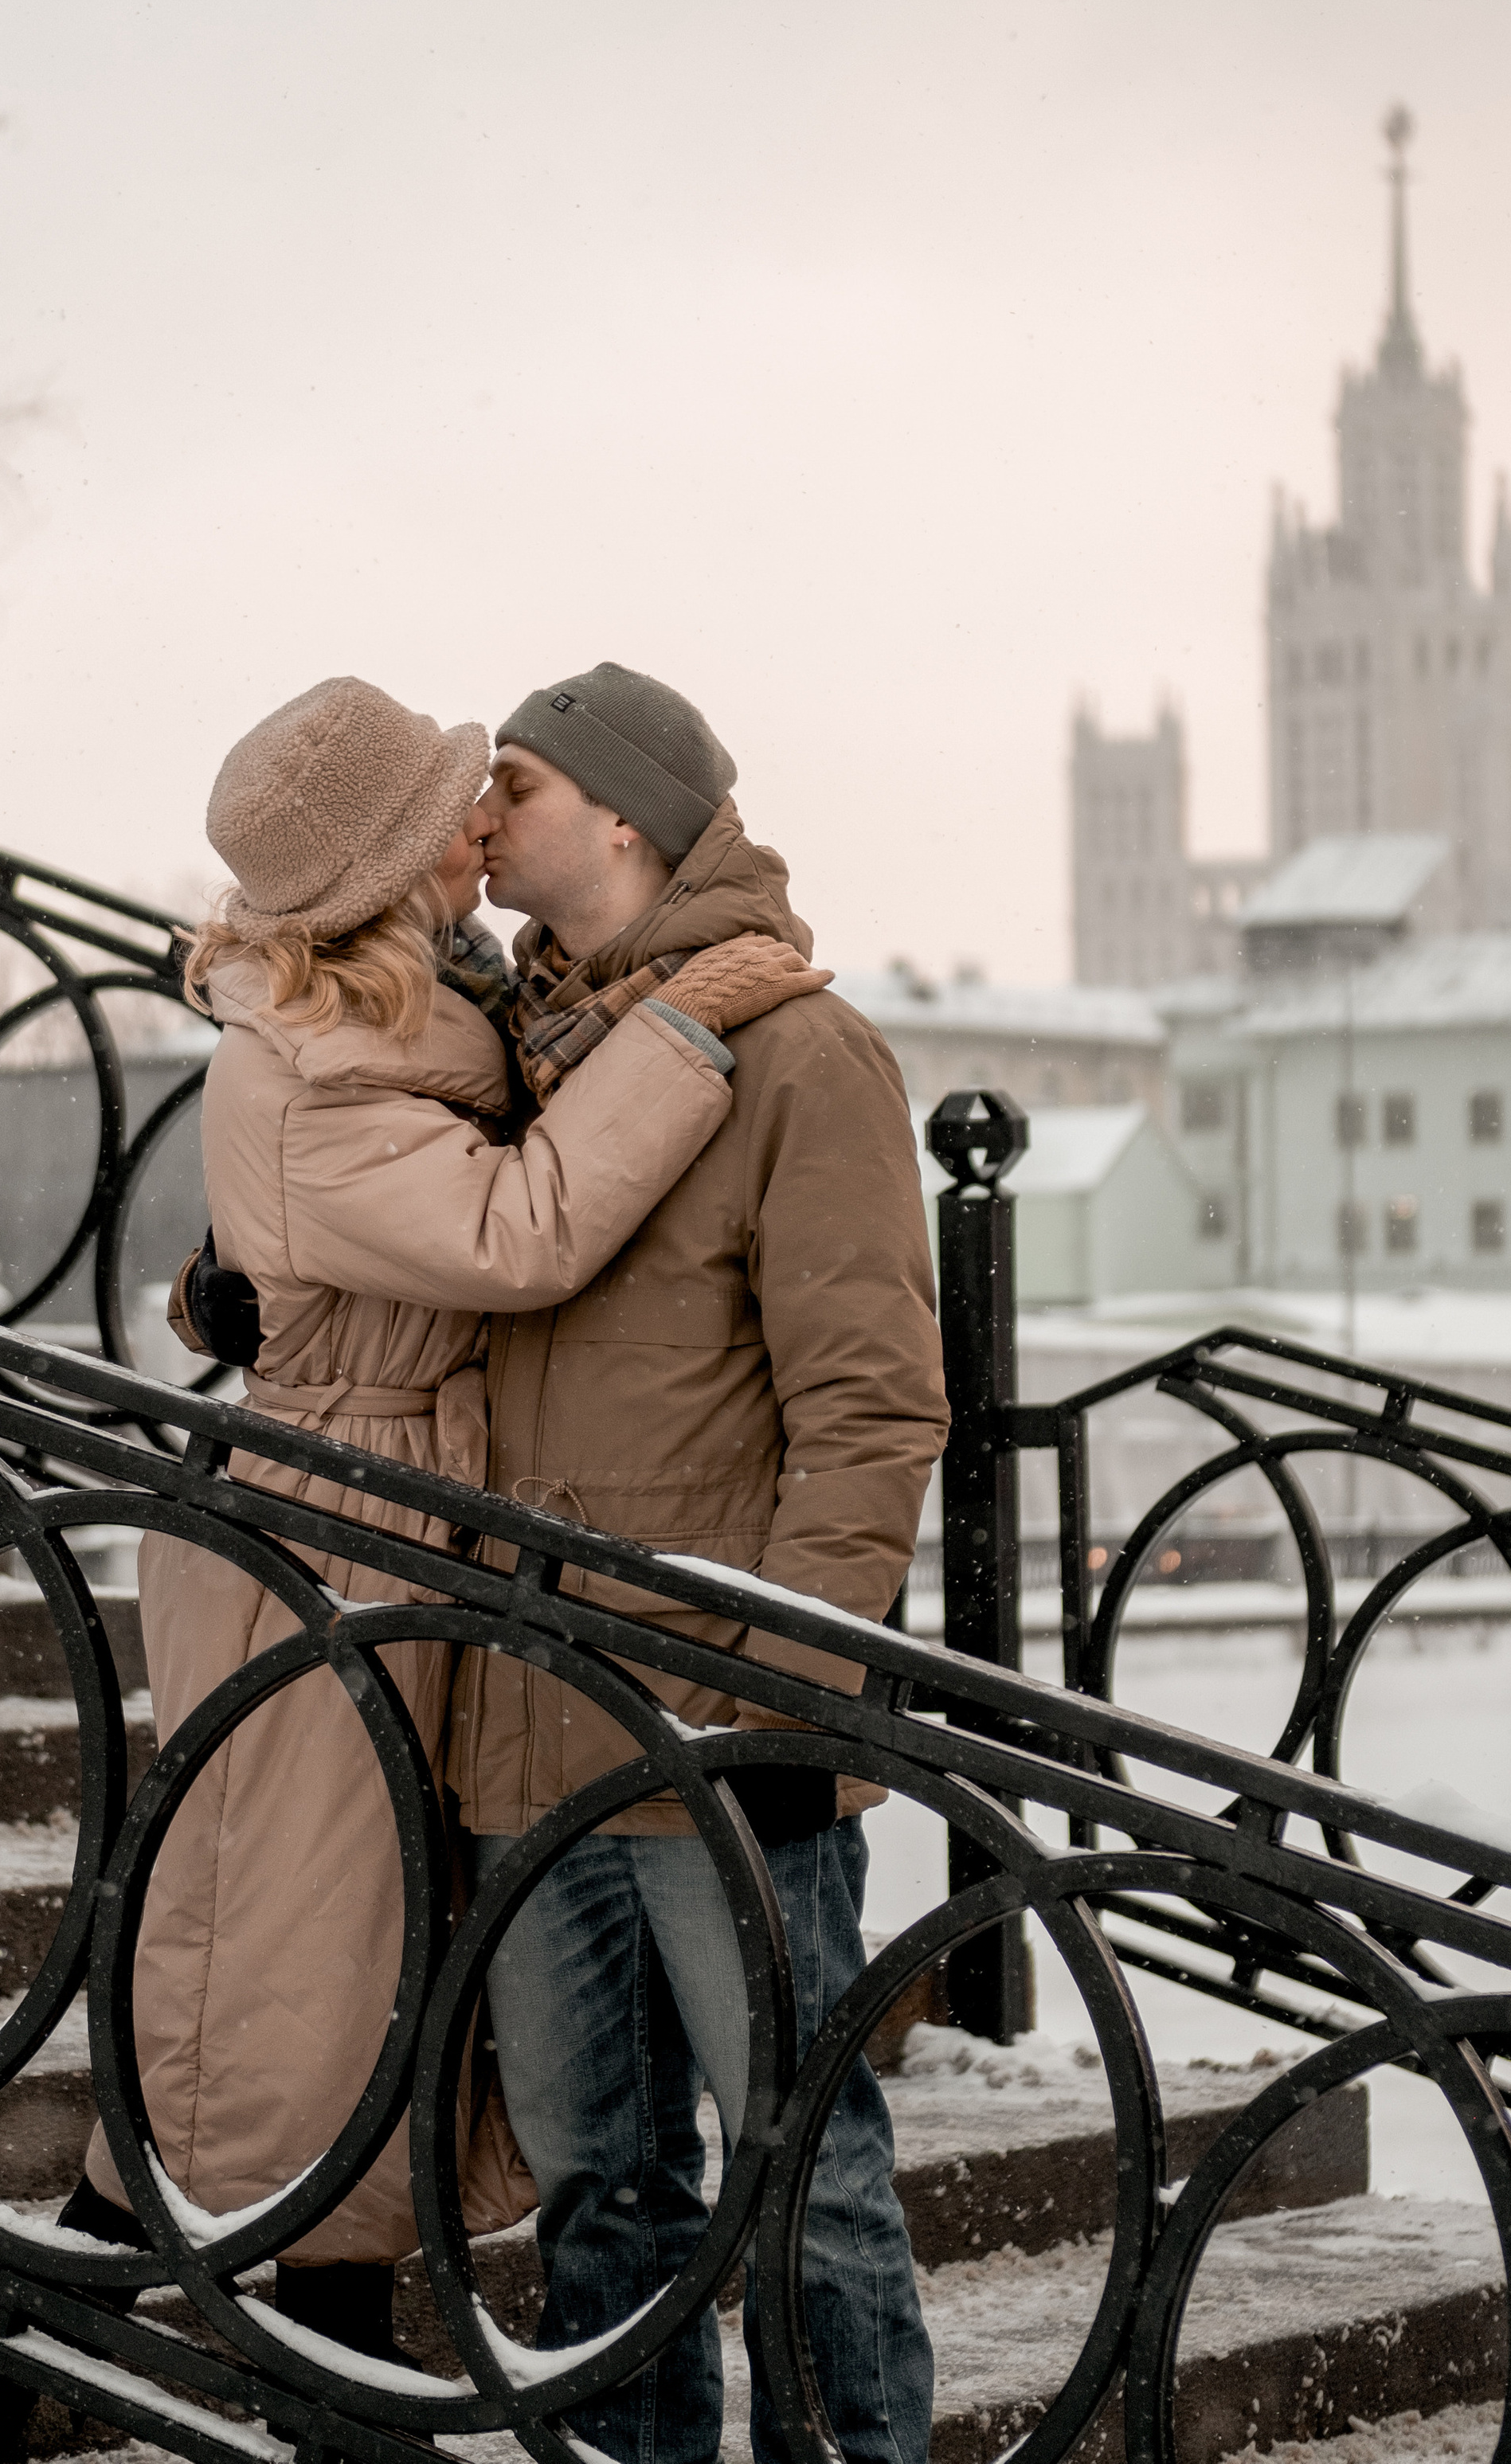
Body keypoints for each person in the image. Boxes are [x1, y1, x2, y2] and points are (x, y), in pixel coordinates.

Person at [0, 675, 827, 2464]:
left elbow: (336, 1225)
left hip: (405, 1517)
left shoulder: (418, 1008)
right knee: (289, 1963)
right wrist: (691, 1026)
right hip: (334, 1541)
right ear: (393, 866)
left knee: (340, 1958)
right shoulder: (324, 1059)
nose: (482, 820)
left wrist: (235, 1291)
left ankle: (143, 2351)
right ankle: (128, 2359)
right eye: (449, 810)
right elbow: (519, 1223)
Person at [451, 663, 948, 2464]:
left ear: (623, 818)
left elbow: (871, 1411)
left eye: (511, 781)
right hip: (523, 1721)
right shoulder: (505, 1045)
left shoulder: (800, 1053)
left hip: (719, 1730)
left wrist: (792, 1693)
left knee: (805, 2176)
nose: (479, 812)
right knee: (596, 2196)